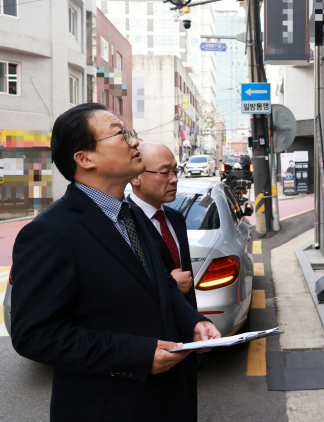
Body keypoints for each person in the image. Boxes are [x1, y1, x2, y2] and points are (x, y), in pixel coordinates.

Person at [10, 103, 220, 422]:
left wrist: (193, 321)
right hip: (109, 407)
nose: (135, 141)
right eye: (121, 134)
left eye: (131, 133)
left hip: (169, 399)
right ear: (85, 158)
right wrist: (135, 355)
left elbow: (159, 282)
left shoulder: (131, 214)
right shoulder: (49, 233)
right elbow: (35, 335)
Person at [127, 141, 199, 418]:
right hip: (151, 349)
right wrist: (165, 283)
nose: (174, 179)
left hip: (186, 342)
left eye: (175, 170)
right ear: (136, 176)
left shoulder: (176, 217)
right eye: (165, 172)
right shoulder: (124, 223)